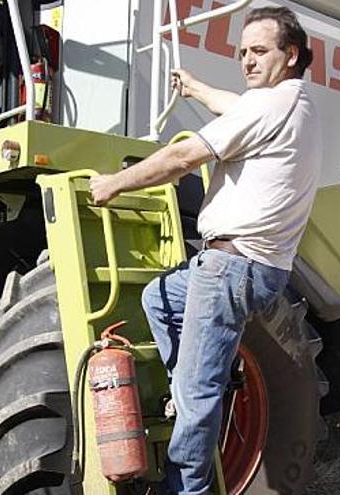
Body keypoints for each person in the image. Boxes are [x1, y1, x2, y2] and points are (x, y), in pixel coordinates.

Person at [89, 6, 321, 494]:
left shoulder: (268, 105)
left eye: (259, 51)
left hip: (230, 267)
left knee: (197, 399)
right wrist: (195, 89)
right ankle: (200, 383)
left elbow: (181, 156)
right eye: (242, 53)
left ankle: (188, 477)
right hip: (252, 268)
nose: (247, 60)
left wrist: (113, 184)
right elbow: (233, 105)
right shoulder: (294, 105)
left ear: (292, 54)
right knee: (159, 299)